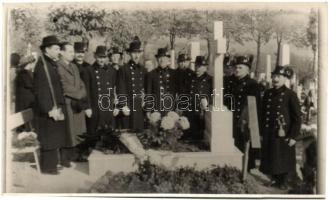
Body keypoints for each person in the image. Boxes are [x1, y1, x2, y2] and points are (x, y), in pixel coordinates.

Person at [33, 35, 71, 174]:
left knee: (55, 136)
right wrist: (48, 109)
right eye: (55, 49)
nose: (58, 51)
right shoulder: (42, 66)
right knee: (49, 138)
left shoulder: (49, 63)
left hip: (55, 106)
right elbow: (41, 90)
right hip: (49, 108)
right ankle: (48, 167)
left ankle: (52, 164)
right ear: (46, 49)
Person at [260, 66, 301, 190]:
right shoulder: (268, 93)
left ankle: (283, 180)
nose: (275, 79)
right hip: (269, 132)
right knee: (271, 155)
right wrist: (262, 132)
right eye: (274, 76)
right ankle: (274, 179)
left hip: (283, 132)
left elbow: (297, 118)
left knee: (283, 156)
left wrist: (293, 136)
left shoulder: (290, 95)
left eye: (279, 77)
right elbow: (263, 113)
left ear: (285, 79)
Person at [228, 54, 261, 172]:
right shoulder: (230, 81)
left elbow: (253, 106)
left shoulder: (253, 84)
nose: (237, 69)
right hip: (230, 118)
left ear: (247, 69)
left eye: (240, 67)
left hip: (244, 119)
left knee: (243, 144)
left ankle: (245, 168)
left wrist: (245, 120)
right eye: (236, 67)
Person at [56, 42, 88, 165]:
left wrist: (81, 93)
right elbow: (64, 86)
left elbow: (82, 84)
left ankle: (75, 155)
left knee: (78, 131)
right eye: (69, 51)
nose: (72, 54)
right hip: (67, 104)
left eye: (73, 51)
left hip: (77, 104)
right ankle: (65, 158)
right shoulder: (58, 67)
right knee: (68, 131)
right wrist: (79, 94)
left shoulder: (74, 66)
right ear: (62, 53)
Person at [116, 36, 146, 132]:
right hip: (128, 105)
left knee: (139, 132)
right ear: (129, 53)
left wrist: (145, 101)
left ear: (141, 53)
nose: (136, 56)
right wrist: (123, 105)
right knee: (128, 133)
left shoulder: (143, 69)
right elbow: (121, 88)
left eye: (138, 53)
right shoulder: (123, 69)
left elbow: (145, 88)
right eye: (134, 53)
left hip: (139, 106)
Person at [85, 46, 117, 134]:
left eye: (104, 57)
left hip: (108, 107)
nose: (102, 60)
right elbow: (86, 90)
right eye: (99, 57)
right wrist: (87, 107)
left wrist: (116, 106)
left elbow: (115, 89)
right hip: (95, 108)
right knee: (96, 135)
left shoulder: (112, 70)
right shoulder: (89, 70)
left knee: (109, 135)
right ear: (95, 56)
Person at [185, 56, 212, 140]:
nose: (197, 68)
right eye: (196, 66)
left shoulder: (210, 80)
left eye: (199, 66)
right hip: (190, 110)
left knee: (201, 136)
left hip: (202, 112)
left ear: (205, 67)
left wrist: (207, 102)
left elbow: (214, 95)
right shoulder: (190, 78)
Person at [146, 47, 177, 115]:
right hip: (157, 109)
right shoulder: (151, 74)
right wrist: (148, 109)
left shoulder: (174, 73)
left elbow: (178, 91)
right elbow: (148, 93)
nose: (162, 60)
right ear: (157, 59)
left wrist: (179, 107)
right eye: (160, 57)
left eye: (164, 57)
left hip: (171, 109)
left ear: (168, 59)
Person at [72, 42, 93, 134]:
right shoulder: (70, 66)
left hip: (88, 100)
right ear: (74, 53)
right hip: (75, 102)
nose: (80, 54)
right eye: (77, 52)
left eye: (82, 52)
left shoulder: (88, 67)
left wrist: (88, 105)